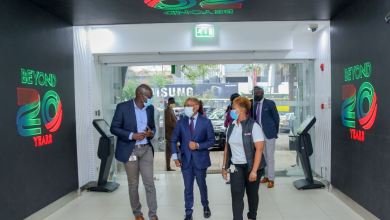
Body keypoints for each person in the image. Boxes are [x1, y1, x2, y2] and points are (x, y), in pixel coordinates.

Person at [110, 84, 158, 220]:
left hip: (146, 149)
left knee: (149, 183)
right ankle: (137, 213)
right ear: (139, 94)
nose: (150, 100)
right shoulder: (123, 107)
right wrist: (132, 135)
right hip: (130, 150)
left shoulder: (150, 108)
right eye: (148, 97)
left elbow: (153, 127)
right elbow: (114, 128)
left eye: (151, 97)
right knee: (133, 184)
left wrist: (151, 133)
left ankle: (153, 214)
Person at [171, 97, 215, 220]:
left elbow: (212, 141)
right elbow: (173, 140)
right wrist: (175, 157)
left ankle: (205, 206)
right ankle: (188, 211)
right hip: (186, 161)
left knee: (202, 185)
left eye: (190, 105)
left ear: (196, 107)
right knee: (188, 188)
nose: (187, 107)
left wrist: (198, 145)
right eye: (186, 105)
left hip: (200, 160)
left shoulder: (205, 122)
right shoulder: (181, 122)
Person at [222, 96, 266, 220]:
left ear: (242, 109)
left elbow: (259, 149)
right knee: (236, 195)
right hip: (236, 166)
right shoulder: (231, 126)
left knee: (252, 195)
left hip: (252, 166)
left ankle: (252, 215)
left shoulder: (253, 126)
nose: (231, 110)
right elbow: (227, 148)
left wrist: (253, 171)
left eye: (233, 108)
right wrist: (224, 167)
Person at [251, 86, 280, 188]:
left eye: (258, 93)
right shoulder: (253, 104)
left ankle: (271, 179)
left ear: (262, 93)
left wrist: (275, 131)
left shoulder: (270, 103)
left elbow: (276, 118)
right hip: (258, 135)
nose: (256, 94)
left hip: (269, 133)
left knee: (270, 156)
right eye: (254, 93)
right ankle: (266, 176)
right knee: (262, 156)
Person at [164, 97, 177, 171]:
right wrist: (177, 126)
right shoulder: (167, 111)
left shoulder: (171, 110)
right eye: (173, 102)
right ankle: (182, 164)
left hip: (171, 134)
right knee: (176, 150)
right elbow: (168, 123)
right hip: (170, 134)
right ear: (169, 103)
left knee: (168, 152)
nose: (173, 104)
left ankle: (168, 167)